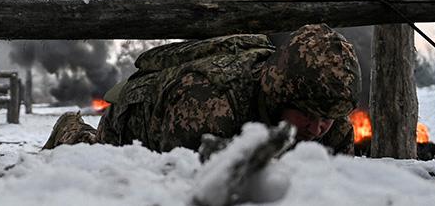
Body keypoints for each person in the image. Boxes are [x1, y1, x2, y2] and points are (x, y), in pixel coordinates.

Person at [43, 24, 360, 155]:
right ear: (280, 94)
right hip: (136, 123)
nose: (318, 127)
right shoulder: (208, 104)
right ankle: (72, 128)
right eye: (307, 114)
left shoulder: (333, 121)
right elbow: (180, 184)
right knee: (96, 156)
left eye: (328, 117)